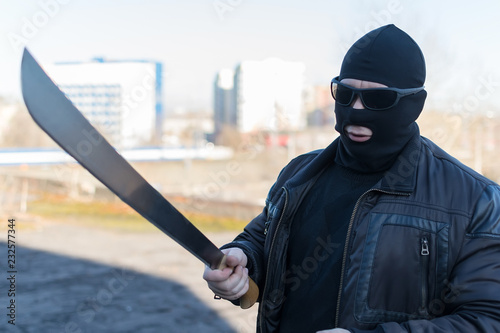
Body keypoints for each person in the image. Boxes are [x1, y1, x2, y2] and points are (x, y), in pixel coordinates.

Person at [203, 24, 500, 333]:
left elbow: (488, 320)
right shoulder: (298, 175)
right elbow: (263, 239)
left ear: (414, 104)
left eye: (378, 100)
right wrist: (243, 264)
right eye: (345, 94)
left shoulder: (476, 200)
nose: (356, 110)